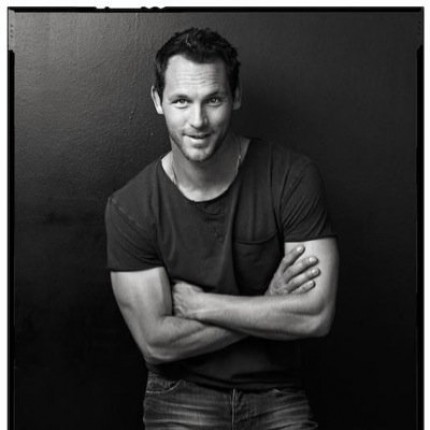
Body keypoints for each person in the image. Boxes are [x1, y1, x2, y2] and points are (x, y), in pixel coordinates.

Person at [105, 27, 339, 429]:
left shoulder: (291, 177)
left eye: (213, 100)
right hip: (179, 394)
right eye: (181, 101)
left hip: (275, 391)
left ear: (236, 96)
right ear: (158, 101)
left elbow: (315, 315)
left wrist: (203, 306)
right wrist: (269, 302)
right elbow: (158, 343)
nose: (197, 121)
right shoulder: (130, 207)